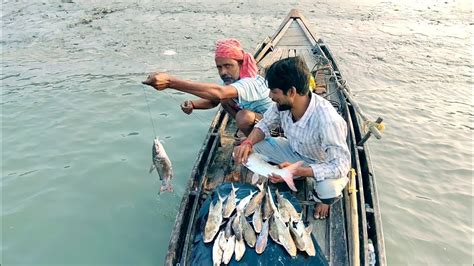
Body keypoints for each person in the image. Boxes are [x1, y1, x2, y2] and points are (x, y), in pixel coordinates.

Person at [234, 56, 350, 219]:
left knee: (327, 190)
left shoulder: (328, 120)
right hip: (294, 150)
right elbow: (265, 124)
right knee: (254, 148)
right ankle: (294, 174)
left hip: (320, 162)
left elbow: (341, 165)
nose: (271, 96)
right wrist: (247, 142)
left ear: (292, 92)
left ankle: (323, 198)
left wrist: (298, 170)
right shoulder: (282, 105)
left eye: (274, 92)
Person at [142, 38, 273, 138]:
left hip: (276, 126)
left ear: (240, 64)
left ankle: (256, 143)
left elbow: (219, 93)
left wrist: (170, 82)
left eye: (228, 66)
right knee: (225, 100)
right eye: (219, 67)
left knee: (243, 116)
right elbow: (214, 101)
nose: (223, 72)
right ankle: (250, 135)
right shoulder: (231, 84)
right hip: (260, 121)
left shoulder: (251, 82)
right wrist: (193, 104)